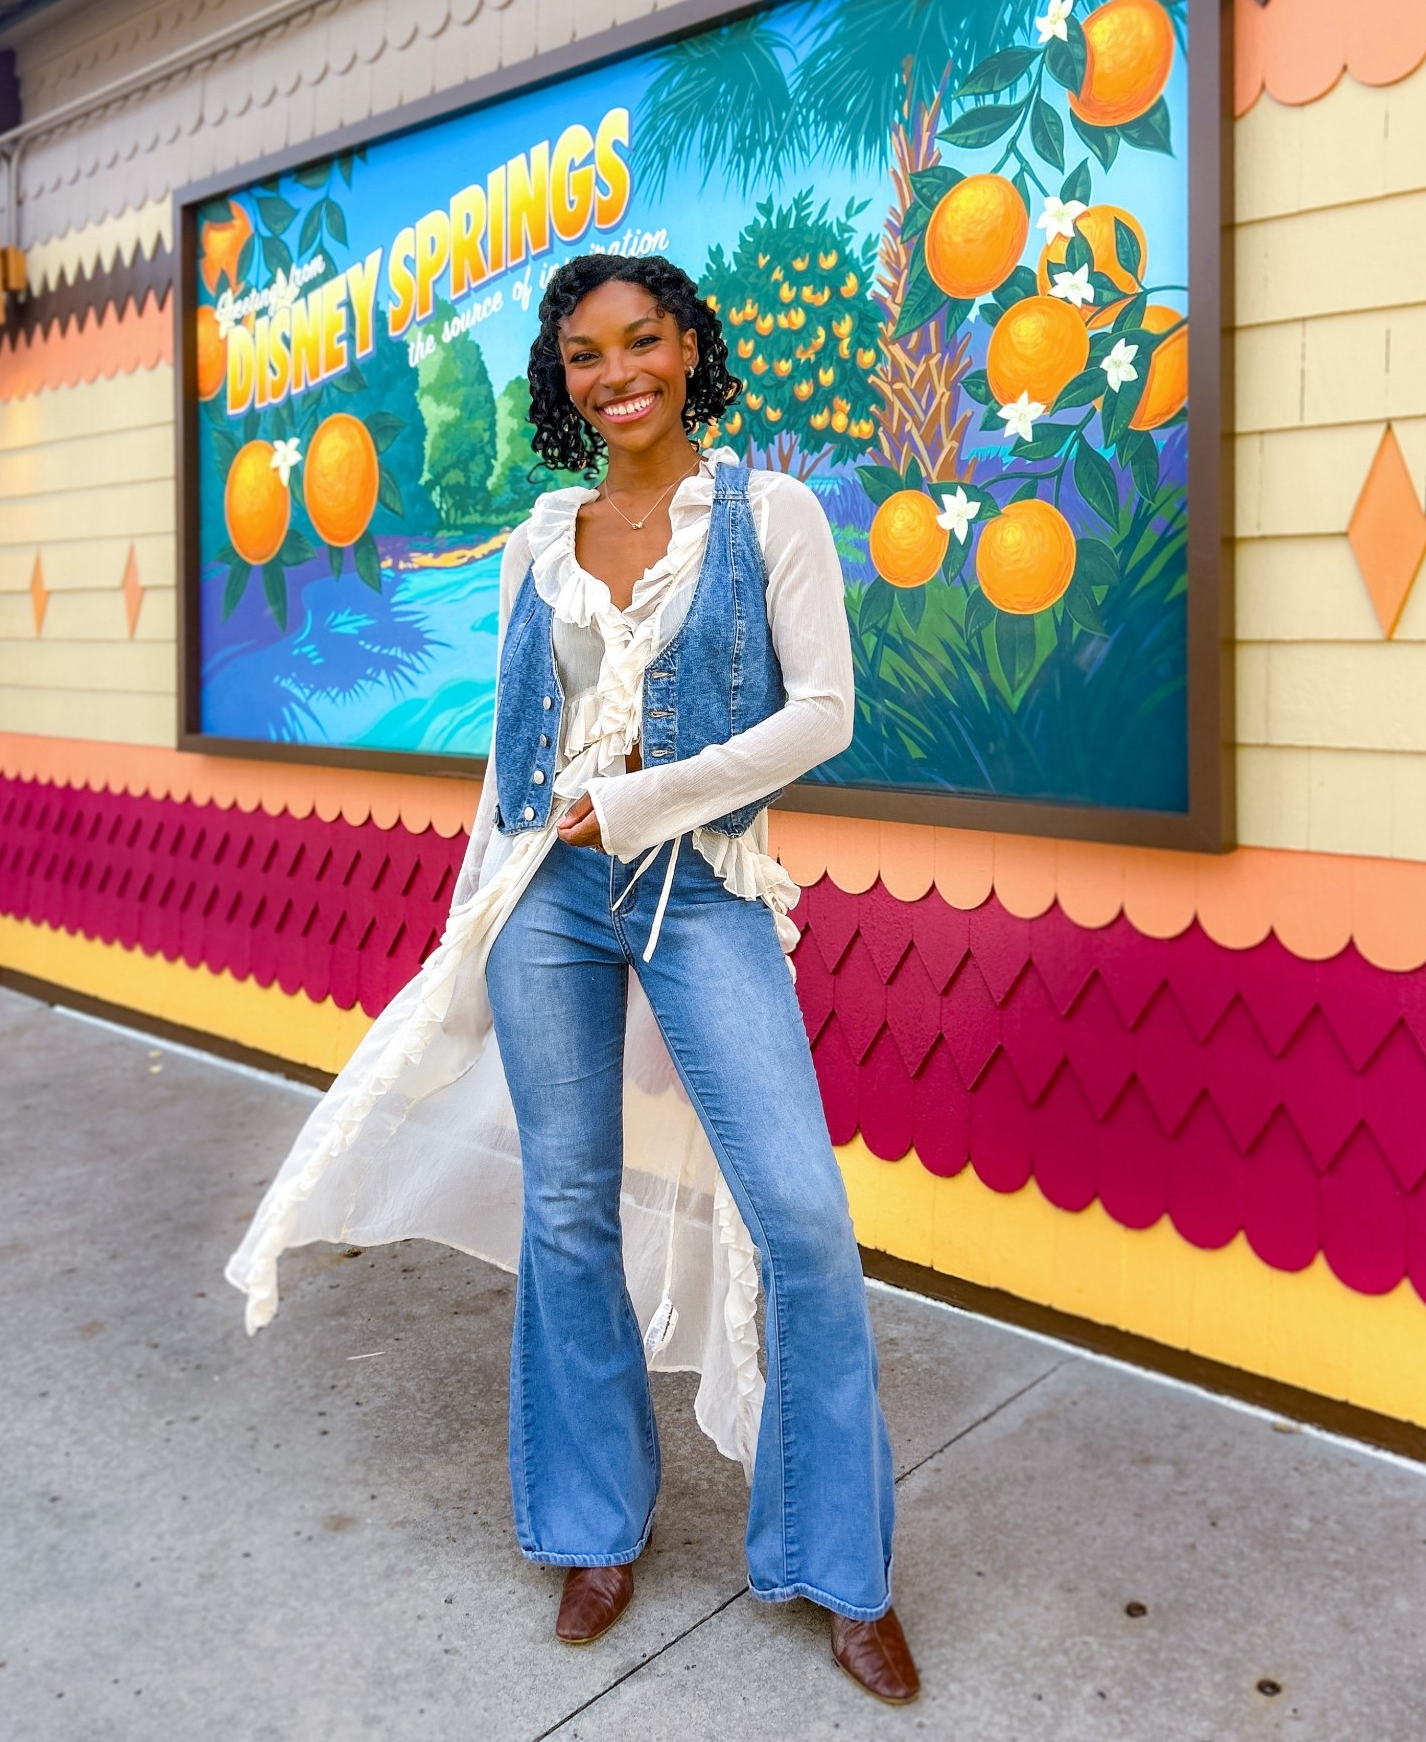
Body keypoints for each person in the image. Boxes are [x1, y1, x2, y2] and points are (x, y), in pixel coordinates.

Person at [228, 252, 919, 1705]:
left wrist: (651, 800)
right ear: (564, 380)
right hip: (546, 896)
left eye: (642, 343)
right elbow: (507, 755)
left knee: (799, 1215)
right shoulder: (538, 537)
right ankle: (595, 1526)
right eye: (587, 357)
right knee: (566, 1208)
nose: (619, 376)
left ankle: (841, 1567)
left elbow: (823, 715)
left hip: (704, 893)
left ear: (688, 349)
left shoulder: (767, 511)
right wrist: (474, 911)